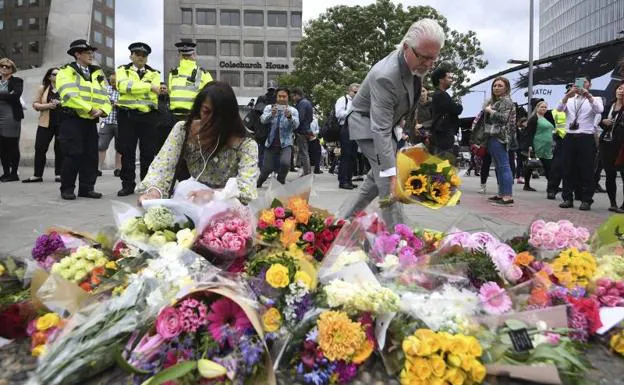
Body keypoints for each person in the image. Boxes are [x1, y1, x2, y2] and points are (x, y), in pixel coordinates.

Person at [341, 19, 445, 227]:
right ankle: (399, 241)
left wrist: (409, 141)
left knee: (374, 179)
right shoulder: (385, 76)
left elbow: (409, 102)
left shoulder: (415, 64)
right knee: (390, 183)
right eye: (424, 58)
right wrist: (391, 172)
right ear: (407, 47)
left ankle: (342, 222)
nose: (428, 64)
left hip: (386, 126)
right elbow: (379, 128)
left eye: (433, 59)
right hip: (367, 124)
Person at [137, 81, 259, 204]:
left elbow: (246, 190)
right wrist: (154, 192)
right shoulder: (183, 130)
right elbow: (162, 166)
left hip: (228, 206)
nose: (210, 120)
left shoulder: (246, 143)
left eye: (218, 116)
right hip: (192, 196)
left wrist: (215, 195)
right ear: (199, 108)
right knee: (183, 189)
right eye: (206, 111)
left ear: (229, 116)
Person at [55, 39, 111, 200]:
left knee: (90, 155)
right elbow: (69, 94)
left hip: (90, 121)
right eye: (87, 52)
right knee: (73, 154)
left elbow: (105, 96)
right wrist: (89, 108)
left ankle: (87, 188)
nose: (91, 55)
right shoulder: (65, 72)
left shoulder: (97, 73)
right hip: (72, 119)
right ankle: (67, 188)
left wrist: (102, 110)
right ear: (77, 54)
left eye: (92, 52)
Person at [116, 42, 162, 197]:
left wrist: (136, 87)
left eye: (144, 55)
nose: (141, 57)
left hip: (148, 116)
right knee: (127, 151)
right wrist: (148, 87)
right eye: (137, 54)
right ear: (131, 56)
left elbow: (151, 92)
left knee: (148, 153)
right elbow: (123, 87)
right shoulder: (122, 70)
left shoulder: (155, 73)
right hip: (127, 115)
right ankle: (127, 184)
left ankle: (146, 184)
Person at [557, 77, 604, 211]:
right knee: (567, 168)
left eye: (585, 82)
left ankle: (586, 199)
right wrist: (567, 95)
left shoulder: (595, 99)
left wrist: (588, 95)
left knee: (586, 169)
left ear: (590, 84)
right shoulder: (570, 99)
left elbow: (599, 110)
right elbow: (559, 109)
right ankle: (567, 198)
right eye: (579, 82)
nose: (581, 85)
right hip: (570, 136)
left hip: (586, 136)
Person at [165, 41, 213, 148]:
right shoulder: (204, 74)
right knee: (192, 148)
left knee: (175, 148)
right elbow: (212, 96)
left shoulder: (173, 73)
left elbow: (171, 93)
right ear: (194, 55)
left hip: (175, 118)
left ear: (179, 56)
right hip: (193, 118)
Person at [23, 67, 63, 183]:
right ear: (49, 76)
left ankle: (59, 174)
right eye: (55, 74)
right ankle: (37, 175)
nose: (57, 76)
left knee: (60, 149)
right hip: (45, 123)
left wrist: (61, 103)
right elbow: (35, 105)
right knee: (40, 148)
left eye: (59, 74)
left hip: (62, 123)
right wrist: (48, 106)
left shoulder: (65, 89)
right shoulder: (43, 88)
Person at [256, 87, 300, 187]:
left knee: (285, 164)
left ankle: (280, 182)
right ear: (276, 97)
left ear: (288, 98)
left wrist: (289, 117)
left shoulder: (293, 111)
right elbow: (262, 120)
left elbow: (296, 125)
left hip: (286, 143)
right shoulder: (269, 108)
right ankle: (259, 182)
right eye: (279, 96)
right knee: (267, 168)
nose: (281, 99)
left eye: (284, 96)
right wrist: (271, 114)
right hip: (271, 143)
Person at [484, 77, 516, 206]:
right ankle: (502, 193)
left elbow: (503, 118)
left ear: (506, 88)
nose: (496, 88)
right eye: (494, 85)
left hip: (500, 137)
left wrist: (490, 111)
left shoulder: (506, 101)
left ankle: (507, 196)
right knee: (498, 166)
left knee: (503, 166)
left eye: (500, 86)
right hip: (494, 136)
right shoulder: (498, 101)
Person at [598, 80, 624, 212]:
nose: (621, 90)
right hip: (607, 143)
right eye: (619, 88)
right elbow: (600, 122)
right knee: (610, 174)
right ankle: (613, 202)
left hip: (621, 145)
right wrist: (604, 121)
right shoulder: (609, 105)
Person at [430, 64, 463, 154]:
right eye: (449, 78)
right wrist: (459, 105)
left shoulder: (438, 95)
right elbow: (457, 110)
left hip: (441, 134)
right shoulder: (441, 95)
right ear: (441, 79)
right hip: (444, 135)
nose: (451, 80)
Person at [0, 58, 24, 182]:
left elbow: (15, 96)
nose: (4, 68)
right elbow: (10, 95)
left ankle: (14, 173)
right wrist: (6, 95)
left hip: (10, 115)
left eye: (7, 67)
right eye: (2, 66)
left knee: (12, 145)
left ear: (12, 69)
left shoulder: (17, 81)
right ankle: (5, 173)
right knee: (2, 146)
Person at [524, 101, 555, 192]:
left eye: (545, 107)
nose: (544, 109)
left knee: (548, 166)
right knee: (532, 164)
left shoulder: (546, 118)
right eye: (542, 107)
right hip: (537, 145)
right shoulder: (534, 119)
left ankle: (552, 185)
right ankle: (527, 185)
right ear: (537, 108)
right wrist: (530, 146)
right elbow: (529, 133)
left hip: (547, 146)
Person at [335, 83, 359, 189]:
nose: (356, 94)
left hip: (356, 129)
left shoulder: (358, 102)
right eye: (355, 92)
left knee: (353, 156)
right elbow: (339, 114)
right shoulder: (342, 100)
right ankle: (343, 181)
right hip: (345, 128)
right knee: (346, 155)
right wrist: (351, 111)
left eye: (358, 92)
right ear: (349, 91)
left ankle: (349, 179)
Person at [97, 73, 121, 177]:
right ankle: (97, 168)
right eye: (111, 81)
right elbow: (100, 101)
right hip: (106, 121)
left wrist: (117, 104)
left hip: (120, 123)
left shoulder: (124, 91)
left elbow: (128, 103)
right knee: (101, 146)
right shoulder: (106, 90)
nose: (113, 83)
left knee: (120, 147)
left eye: (115, 81)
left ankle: (118, 169)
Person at [291, 87, 313, 176]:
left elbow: (299, 118)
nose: (292, 98)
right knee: (303, 152)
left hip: (302, 131)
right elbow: (310, 118)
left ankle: (307, 172)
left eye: (293, 96)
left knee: (303, 152)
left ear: (297, 95)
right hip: (306, 130)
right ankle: (306, 171)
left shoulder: (302, 104)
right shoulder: (307, 102)